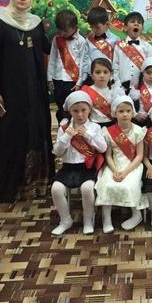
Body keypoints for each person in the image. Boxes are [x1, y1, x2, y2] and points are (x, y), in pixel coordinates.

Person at [0, 0, 54, 203]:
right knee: (12, 134)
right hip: (9, 92)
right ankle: (10, 188)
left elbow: (47, 49)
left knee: (35, 131)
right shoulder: (0, 24)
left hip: (34, 90)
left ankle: (36, 185)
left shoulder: (36, 24)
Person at [51, 91, 107, 235]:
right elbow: (57, 152)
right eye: (75, 111)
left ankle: (88, 219)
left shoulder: (95, 127)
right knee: (56, 189)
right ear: (70, 111)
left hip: (87, 167)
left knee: (87, 188)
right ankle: (65, 220)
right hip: (68, 167)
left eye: (83, 110)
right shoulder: (64, 129)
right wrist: (66, 137)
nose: (80, 114)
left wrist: (87, 135)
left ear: (89, 110)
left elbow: (103, 148)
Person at [95, 95, 148, 233]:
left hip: (132, 165)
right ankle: (107, 219)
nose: (125, 114)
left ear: (133, 112)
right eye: (121, 111)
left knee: (129, 185)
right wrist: (114, 171)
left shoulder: (138, 131)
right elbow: (108, 155)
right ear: (114, 113)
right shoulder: (108, 132)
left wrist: (125, 173)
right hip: (114, 165)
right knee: (106, 185)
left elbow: (140, 156)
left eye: (128, 111)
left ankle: (136, 215)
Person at [47, 9, 88, 122]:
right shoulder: (56, 39)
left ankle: (73, 129)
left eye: (65, 30)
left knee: (72, 107)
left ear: (75, 27)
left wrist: (79, 82)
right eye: (60, 30)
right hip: (58, 78)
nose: (62, 33)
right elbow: (52, 59)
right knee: (60, 106)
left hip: (72, 81)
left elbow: (83, 62)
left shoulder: (81, 41)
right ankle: (62, 128)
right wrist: (49, 79)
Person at [112, 12, 152, 93]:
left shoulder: (147, 47)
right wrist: (118, 85)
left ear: (142, 28)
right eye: (132, 22)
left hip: (142, 89)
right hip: (122, 88)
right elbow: (115, 67)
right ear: (125, 27)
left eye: (139, 22)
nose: (136, 24)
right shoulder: (119, 46)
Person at [81, 58, 124, 127]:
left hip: (112, 125)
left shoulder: (115, 90)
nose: (102, 75)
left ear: (111, 75)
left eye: (105, 72)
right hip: (93, 126)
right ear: (92, 75)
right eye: (98, 72)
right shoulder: (86, 90)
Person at [85, 6, 120, 72]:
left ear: (106, 24)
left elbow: (117, 61)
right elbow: (86, 58)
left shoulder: (116, 39)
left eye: (97, 27)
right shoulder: (88, 39)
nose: (94, 30)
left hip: (109, 75)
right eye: (91, 27)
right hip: (92, 74)